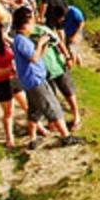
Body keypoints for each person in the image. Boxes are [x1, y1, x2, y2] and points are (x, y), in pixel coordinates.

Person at [11, 8, 80, 149]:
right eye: (32, 21)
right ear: (25, 23)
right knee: (52, 107)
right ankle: (66, 136)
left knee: (34, 112)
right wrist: (41, 43)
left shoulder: (22, 39)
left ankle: (33, 138)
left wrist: (44, 45)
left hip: (34, 80)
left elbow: (37, 57)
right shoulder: (21, 40)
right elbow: (34, 57)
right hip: (34, 81)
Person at [37, 9, 81, 130]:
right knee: (51, 95)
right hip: (43, 70)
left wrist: (67, 57)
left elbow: (59, 42)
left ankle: (76, 116)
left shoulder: (42, 29)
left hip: (57, 65)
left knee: (68, 91)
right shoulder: (23, 36)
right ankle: (54, 120)